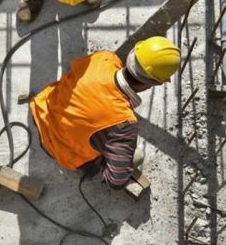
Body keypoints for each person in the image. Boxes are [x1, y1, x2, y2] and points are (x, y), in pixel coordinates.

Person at [29, 36, 180, 189]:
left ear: (131, 55)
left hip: (42, 110)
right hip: (57, 149)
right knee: (137, 156)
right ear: (152, 84)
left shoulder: (105, 58)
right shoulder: (124, 125)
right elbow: (116, 181)